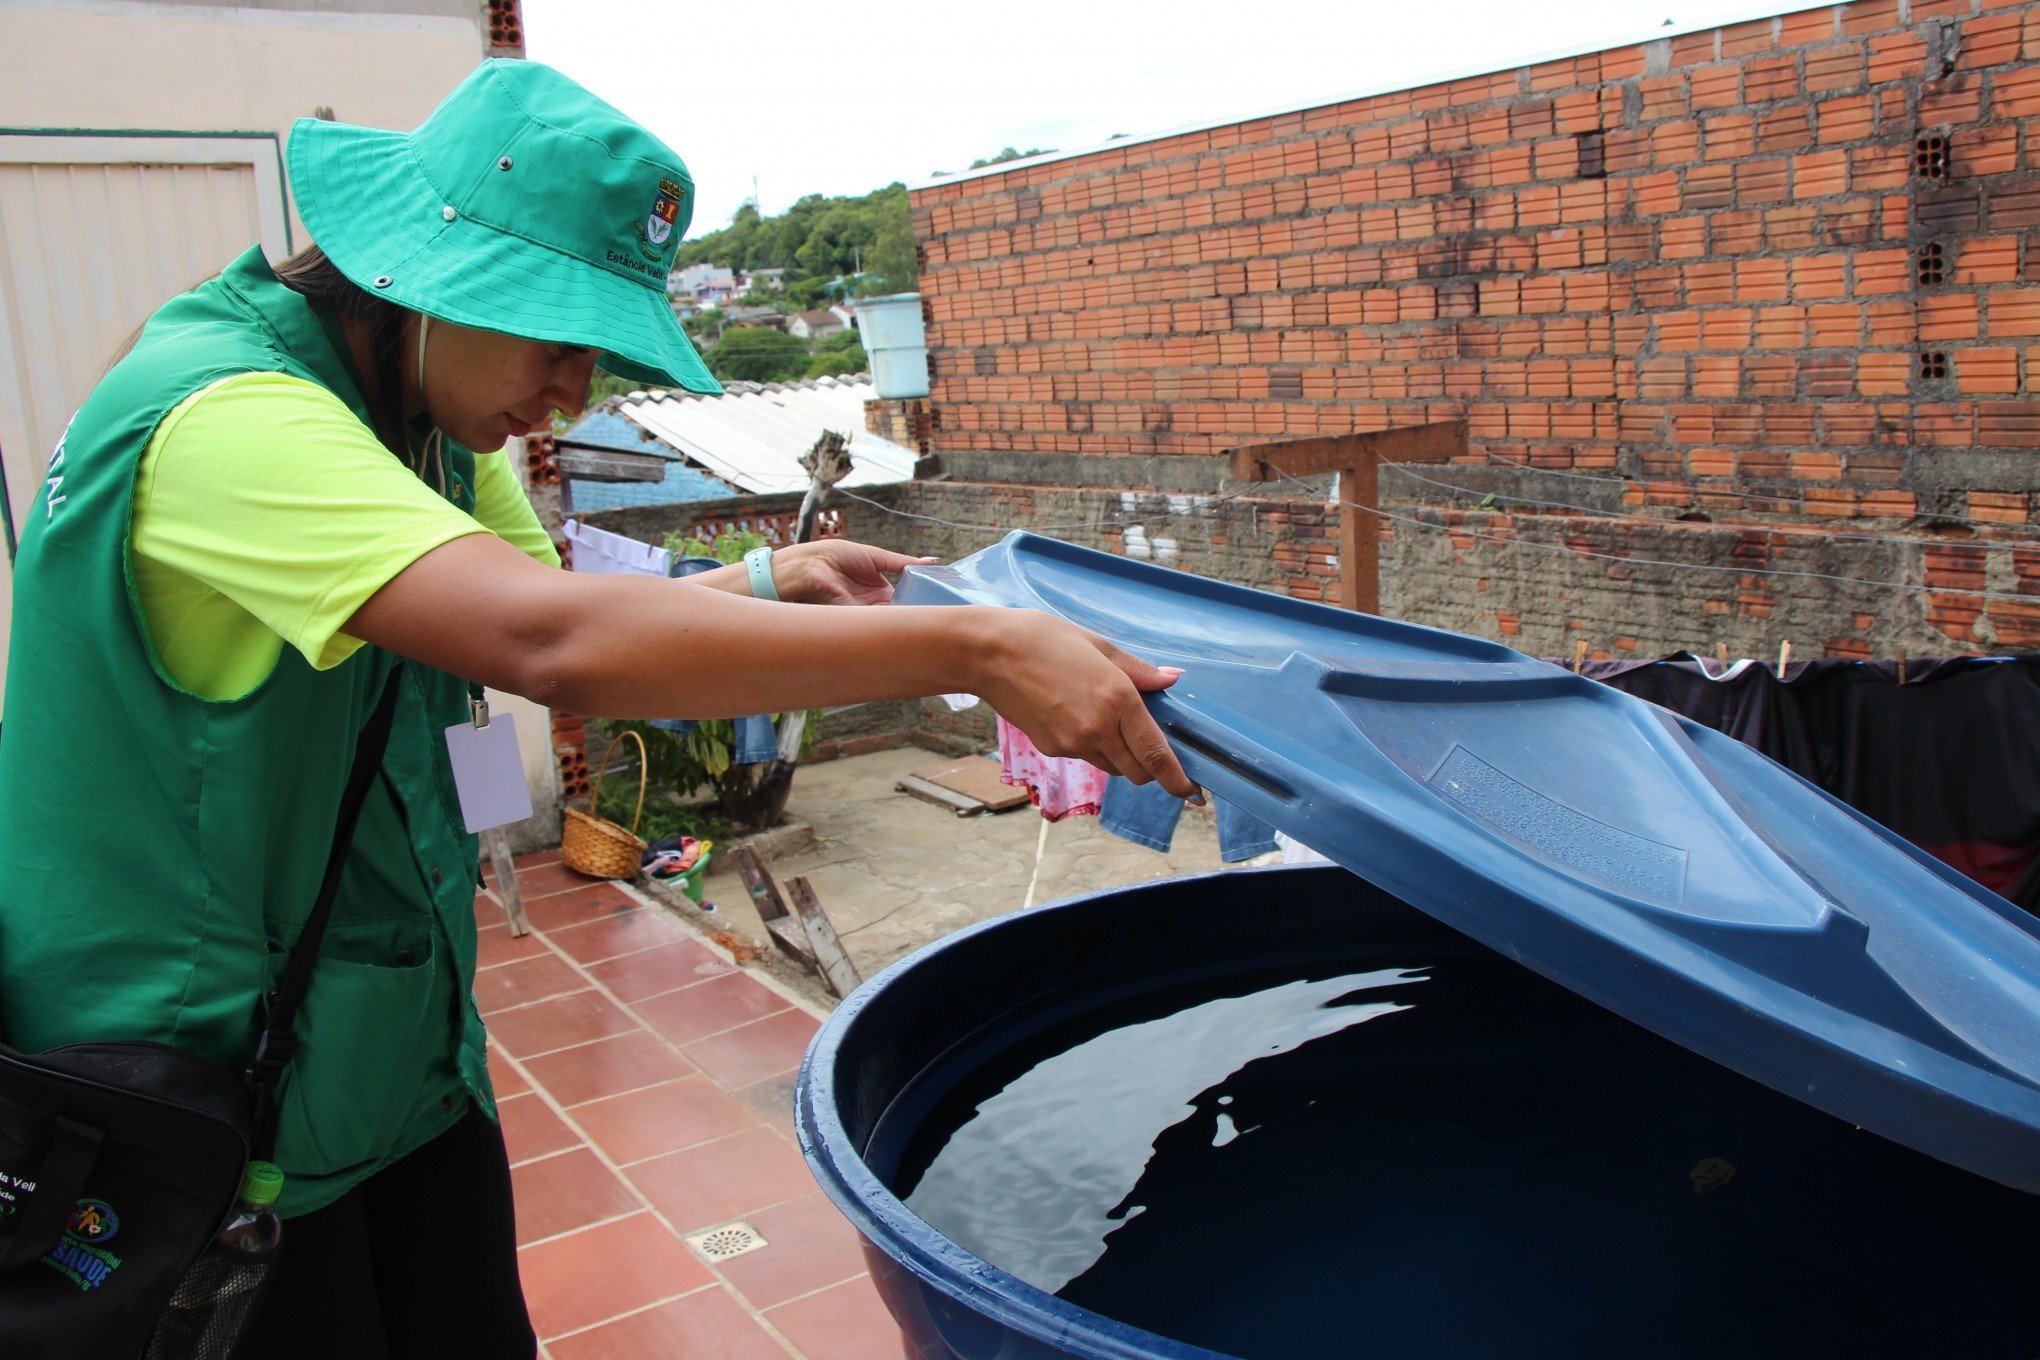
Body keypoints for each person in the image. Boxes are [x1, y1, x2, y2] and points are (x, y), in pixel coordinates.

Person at [0, 61, 1190, 1357]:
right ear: (424, 270)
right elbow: (549, 642)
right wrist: (983, 647)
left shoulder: (426, 428)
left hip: (382, 1054)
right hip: (184, 1100)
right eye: (554, 336)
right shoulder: (227, 419)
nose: (573, 393)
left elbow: (535, 594)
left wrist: (765, 579)